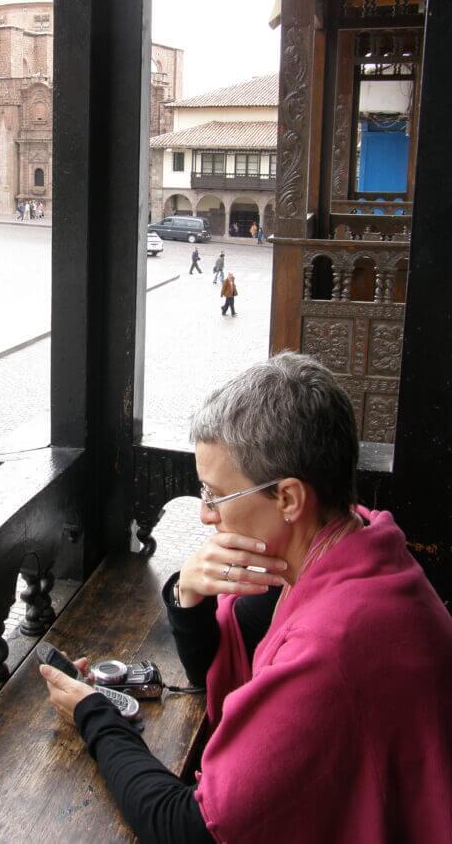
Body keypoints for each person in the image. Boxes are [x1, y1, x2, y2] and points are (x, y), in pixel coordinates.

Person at [39, 353, 452, 844]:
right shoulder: (351, 542)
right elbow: (222, 667)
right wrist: (188, 593)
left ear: (289, 499)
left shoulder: (332, 644)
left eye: (215, 496)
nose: (206, 516)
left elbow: (193, 828)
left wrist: (96, 717)